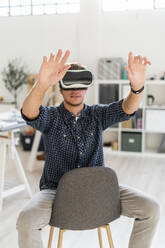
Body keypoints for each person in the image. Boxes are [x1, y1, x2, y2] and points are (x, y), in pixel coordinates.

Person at [16, 49, 160, 248]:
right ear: (60, 89)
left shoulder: (97, 115)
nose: (75, 90)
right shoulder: (51, 118)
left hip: (99, 191)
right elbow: (29, 113)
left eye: (81, 86)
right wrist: (41, 84)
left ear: (86, 88)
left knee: (150, 208)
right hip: (55, 193)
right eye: (69, 86)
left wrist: (137, 88)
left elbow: (127, 109)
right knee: (26, 219)